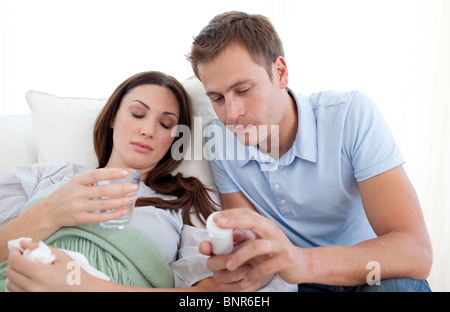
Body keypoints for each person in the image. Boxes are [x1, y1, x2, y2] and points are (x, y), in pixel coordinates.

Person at [188, 11, 433, 292]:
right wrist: (239, 266)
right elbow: (251, 241)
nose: (231, 115)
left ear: (280, 72)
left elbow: (416, 252)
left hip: (371, 271)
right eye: (217, 98)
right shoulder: (220, 142)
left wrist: (303, 261)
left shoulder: (350, 115)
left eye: (243, 90)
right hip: (299, 283)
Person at [0, 71, 221, 291]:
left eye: (165, 124)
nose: (147, 131)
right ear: (113, 117)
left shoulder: (188, 198)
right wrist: (51, 212)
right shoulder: (44, 176)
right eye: (137, 114)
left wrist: (83, 285)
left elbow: (206, 295)